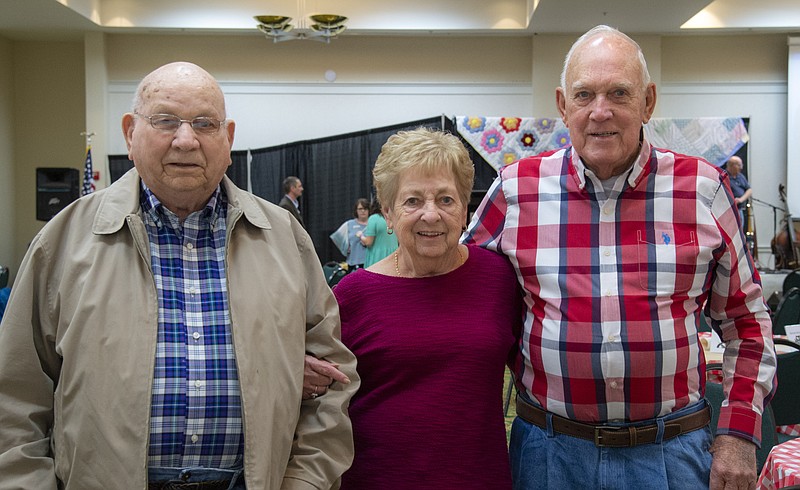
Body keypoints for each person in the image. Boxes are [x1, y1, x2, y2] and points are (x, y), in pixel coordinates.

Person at [0, 61, 358, 489]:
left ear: (228, 139)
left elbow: (334, 383)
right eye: (166, 121)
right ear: (131, 133)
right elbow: (15, 400)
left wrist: (305, 482)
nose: (186, 140)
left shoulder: (284, 238)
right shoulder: (62, 242)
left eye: (205, 124)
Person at [463, 25, 776, 489]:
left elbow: (747, 324)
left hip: (673, 455)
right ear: (561, 105)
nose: (600, 112)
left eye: (619, 93)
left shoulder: (703, 190)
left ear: (648, 102)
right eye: (584, 94)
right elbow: (451, 292)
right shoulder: (515, 191)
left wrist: (738, 437)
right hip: (549, 456)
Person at [326, 128, 522, 489]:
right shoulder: (352, 296)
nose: (430, 215)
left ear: (465, 210)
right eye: (412, 201)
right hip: (376, 481)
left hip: (480, 480)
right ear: (387, 212)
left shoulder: (499, 279)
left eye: (446, 200)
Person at [330, 198, 369, 269]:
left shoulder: (373, 224)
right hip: (353, 262)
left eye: (365, 208)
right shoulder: (349, 224)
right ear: (356, 210)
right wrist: (345, 248)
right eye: (360, 209)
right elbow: (336, 237)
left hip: (370, 262)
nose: (363, 211)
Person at [359, 198, 398, 268]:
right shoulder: (394, 218)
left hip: (378, 259)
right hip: (394, 259)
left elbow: (368, 242)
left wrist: (361, 236)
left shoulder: (373, 218)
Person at [725, 155, 753, 230]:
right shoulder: (724, 177)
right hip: (729, 211)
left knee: (740, 230)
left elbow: (749, 189)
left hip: (739, 210)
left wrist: (741, 199)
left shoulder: (740, 176)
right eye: (739, 165)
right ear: (732, 165)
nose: (741, 168)